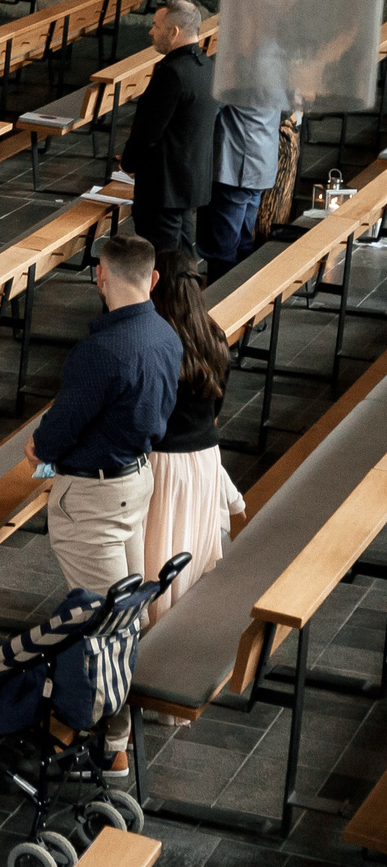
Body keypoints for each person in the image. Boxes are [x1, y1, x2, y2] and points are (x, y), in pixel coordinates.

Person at [28, 232, 181, 764]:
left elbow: (54, 434)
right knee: (127, 611)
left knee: (100, 622)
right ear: (153, 279)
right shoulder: (166, 334)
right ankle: (117, 721)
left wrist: (40, 448)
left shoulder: (100, 350)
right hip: (136, 481)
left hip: (93, 498)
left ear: (100, 275)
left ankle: (111, 744)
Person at [144, 251, 244, 621]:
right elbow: (216, 409)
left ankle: (152, 639)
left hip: (163, 464)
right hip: (204, 459)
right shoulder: (213, 334)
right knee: (190, 551)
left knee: (157, 555)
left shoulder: (156, 340)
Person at [121, 0, 215, 256]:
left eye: (156, 25)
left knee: (164, 264)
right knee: (183, 259)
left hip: (163, 189)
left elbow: (147, 133)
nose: (151, 31)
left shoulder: (172, 73)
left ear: (173, 32)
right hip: (187, 184)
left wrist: (127, 163)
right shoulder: (205, 67)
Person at [200, 103, 284, 278]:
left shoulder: (241, 77)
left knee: (223, 250)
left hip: (236, 168)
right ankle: (244, 293)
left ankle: (222, 300)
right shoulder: (279, 75)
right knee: (244, 242)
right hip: (261, 163)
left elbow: (209, 108)